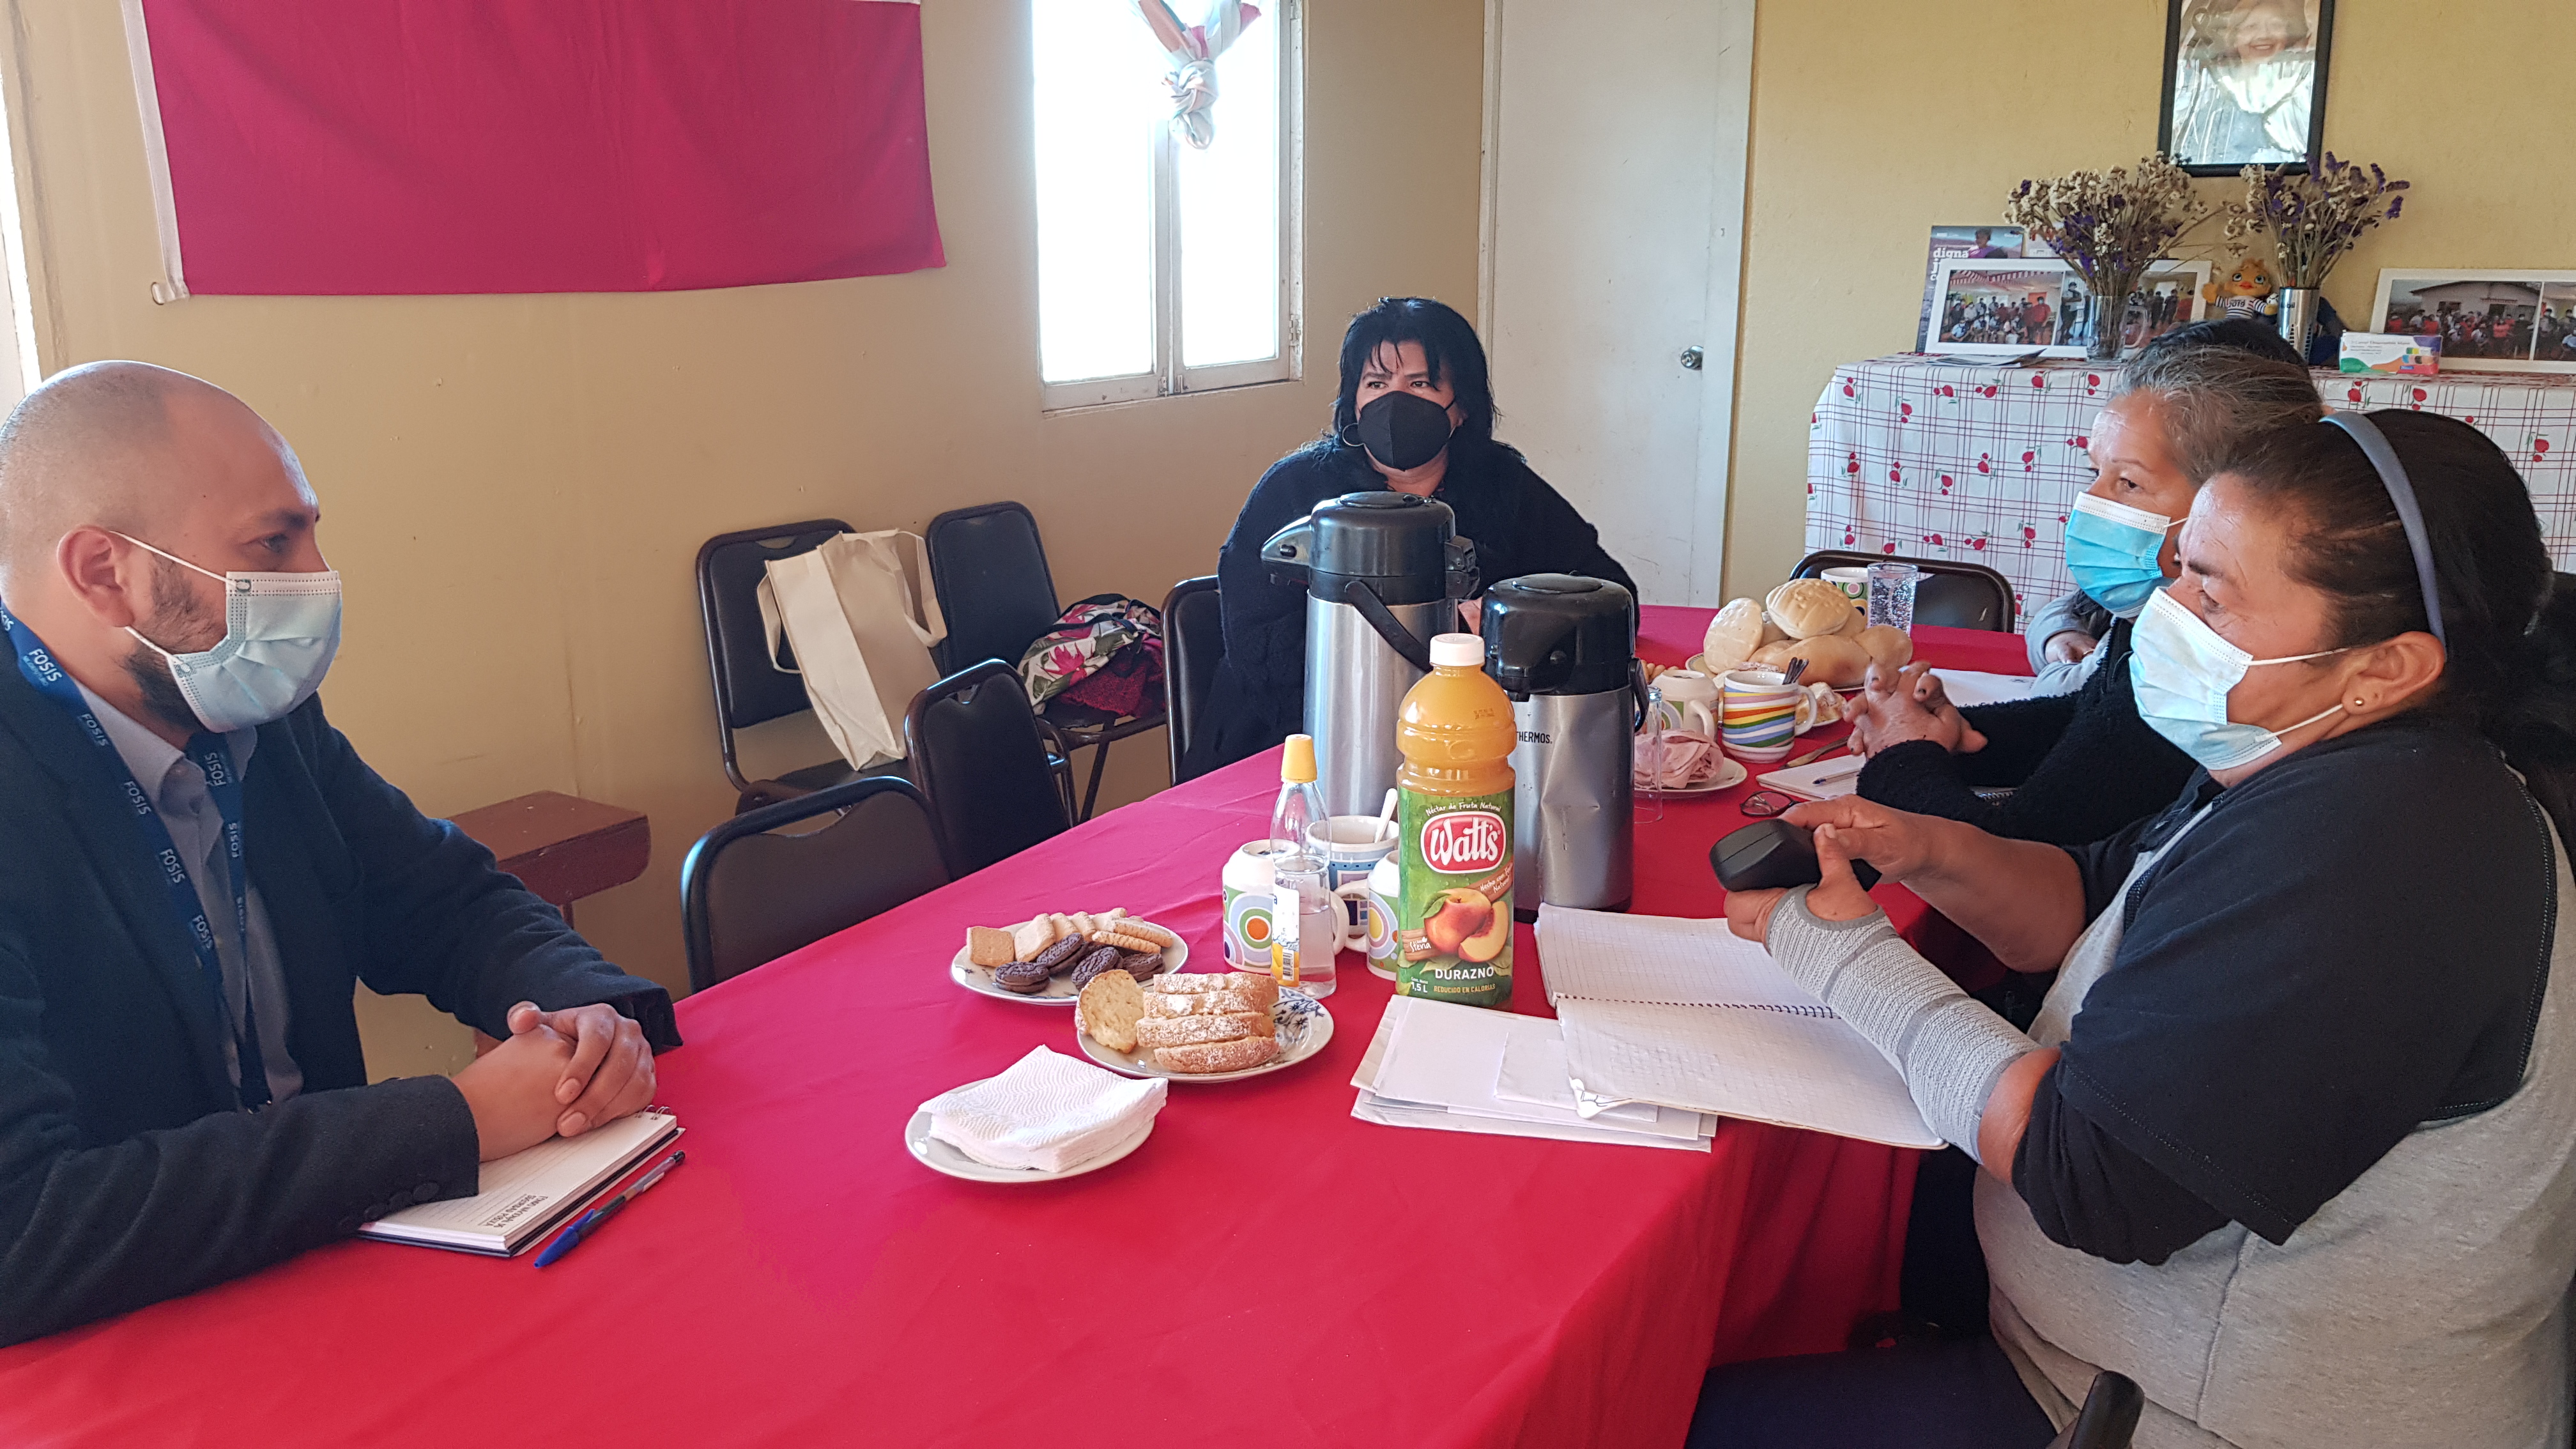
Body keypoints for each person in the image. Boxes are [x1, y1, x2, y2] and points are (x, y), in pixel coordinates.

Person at [1693, 408, 2576, 1447]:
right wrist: (1925, 846)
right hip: (2103, 1368)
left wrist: (1842, 955)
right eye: (2179, 568)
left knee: (1650, 1413)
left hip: (2177, 1421)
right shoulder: (2330, 766)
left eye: (2213, 594)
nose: (2167, 609)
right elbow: (2090, 900)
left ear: (2384, 667)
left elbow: (2089, 1174)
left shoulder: (2382, 853)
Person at [0, 362, 678, 1346]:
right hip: (130, 1343)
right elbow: (24, 1231)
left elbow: (444, 900)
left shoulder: (255, 716)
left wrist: (589, 1022)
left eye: (311, 533)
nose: (316, 577)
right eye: (272, 544)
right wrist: (454, 1120)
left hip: (329, 1277)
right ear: (105, 572)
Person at [1848, 323, 2321, 845]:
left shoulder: (2214, 666)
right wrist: (1958, 737)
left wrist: (1903, 756)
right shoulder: (2156, 615)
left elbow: (2017, 857)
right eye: (2094, 473)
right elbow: (2093, 727)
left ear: (2229, 503)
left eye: (2129, 483)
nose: (2089, 503)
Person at [1186, 298, 1634, 772]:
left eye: (1420, 384)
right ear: (1353, 401)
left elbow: (1606, 594)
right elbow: (1260, 650)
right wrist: (1447, 634)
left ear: (1462, 407)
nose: (1394, 403)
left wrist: (1508, 625)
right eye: (1376, 384)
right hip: (1296, 749)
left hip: (1470, 746)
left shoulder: (1503, 485)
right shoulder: (1295, 491)